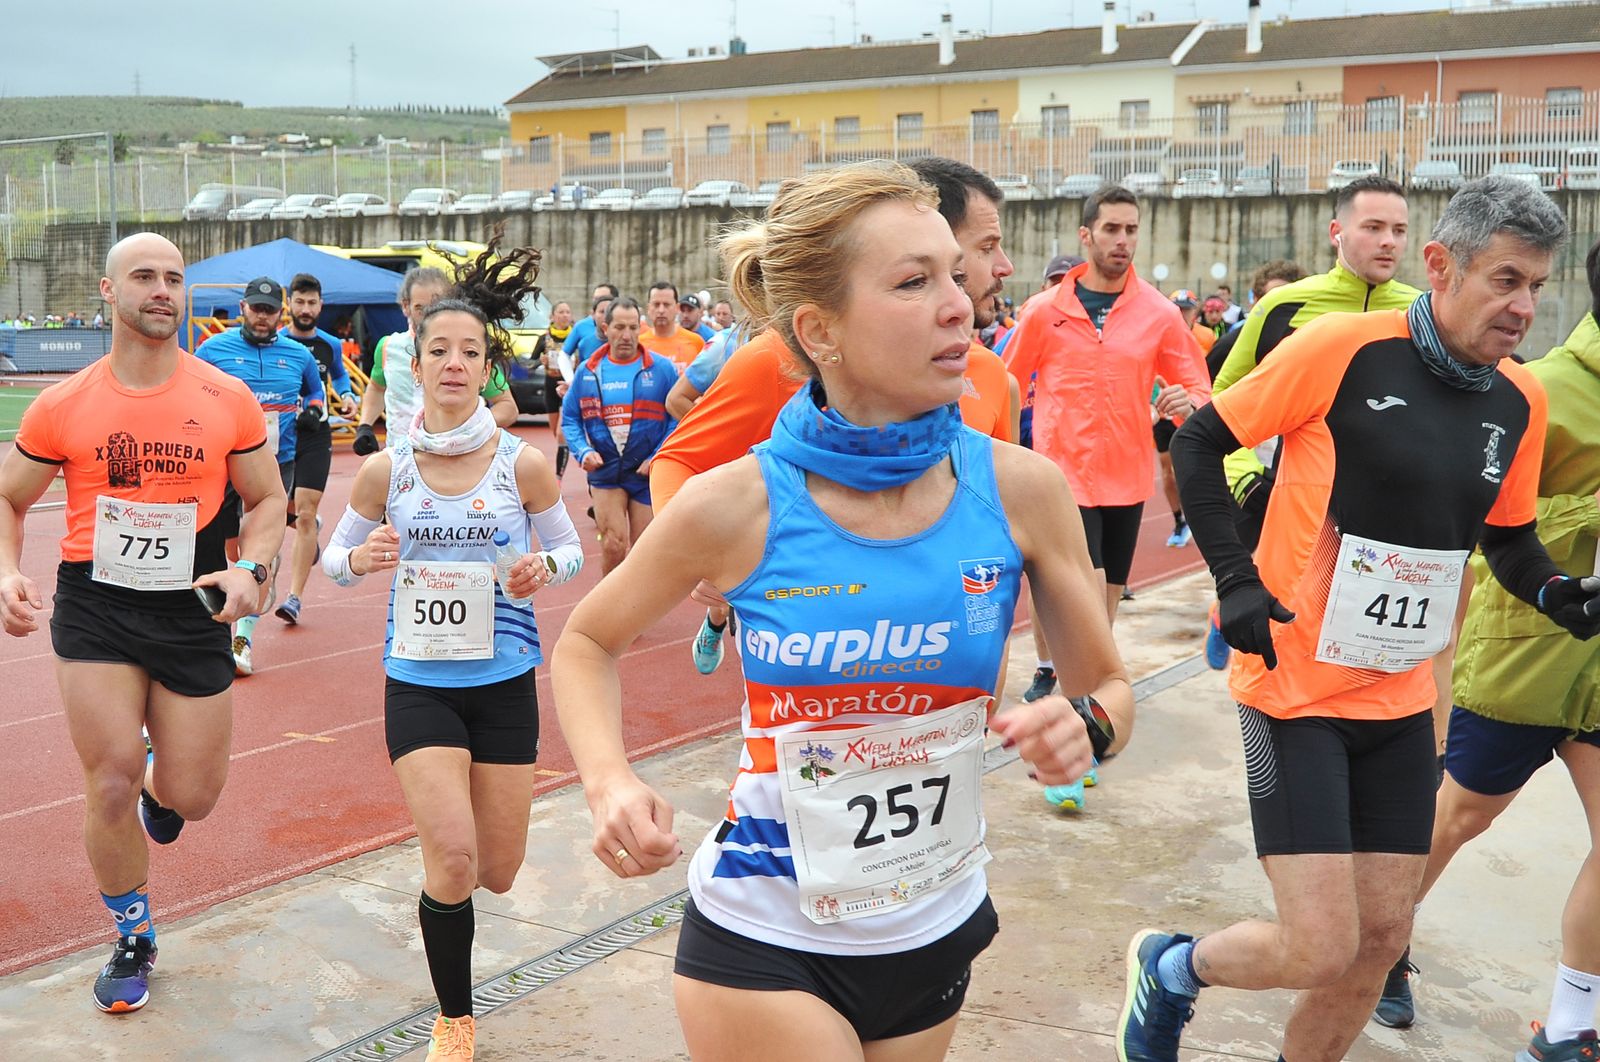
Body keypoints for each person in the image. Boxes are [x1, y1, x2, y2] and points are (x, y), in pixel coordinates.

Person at [551, 158, 1133, 1062]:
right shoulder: (736, 505)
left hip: (935, 924)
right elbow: (587, 639)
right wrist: (608, 782)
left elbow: (1110, 690)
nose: (961, 303)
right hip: (767, 931)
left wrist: (1086, 727)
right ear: (821, 329)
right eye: (914, 282)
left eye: (954, 272)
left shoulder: (1022, 490)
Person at [1129, 176, 1600, 1062]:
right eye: (1505, 280)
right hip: (1292, 684)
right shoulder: (1344, 348)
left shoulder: (1520, 399)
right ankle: (1174, 969)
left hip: (1398, 700)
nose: (1524, 306)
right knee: (1317, 943)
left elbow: (1510, 542)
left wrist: (1553, 594)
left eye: (1537, 285)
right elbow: (1200, 440)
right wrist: (1234, 577)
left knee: (1382, 940)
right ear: (1440, 265)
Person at [0, 233, 285, 1014]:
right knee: (111, 777)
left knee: (192, 797)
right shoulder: (63, 403)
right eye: (144, 277)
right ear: (107, 291)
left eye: (173, 278)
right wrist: (7, 571)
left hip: (193, 602)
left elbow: (266, 501)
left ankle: (167, 789)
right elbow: (8, 497)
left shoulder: (225, 397)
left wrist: (252, 571)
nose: (163, 290)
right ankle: (133, 934)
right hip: (96, 603)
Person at [323, 239, 583, 1062]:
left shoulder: (523, 465)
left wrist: (544, 566)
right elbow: (334, 561)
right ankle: (454, 1018)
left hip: (505, 680)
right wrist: (358, 562)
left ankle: (454, 903)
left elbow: (573, 551)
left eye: (471, 352)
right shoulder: (386, 471)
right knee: (454, 857)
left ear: (487, 367)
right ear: (415, 356)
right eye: (440, 350)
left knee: (498, 871)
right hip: (419, 682)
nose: (455, 364)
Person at [648, 156, 1020, 680]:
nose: (1004, 265)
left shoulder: (993, 377)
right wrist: (701, 561)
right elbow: (678, 459)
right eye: (985, 248)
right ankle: (715, 621)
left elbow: (1000, 528)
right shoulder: (775, 358)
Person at [1383, 238, 1600, 1060]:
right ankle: (1384, 947)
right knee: (1457, 818)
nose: (1520, 298)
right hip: (1526, 658)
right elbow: (1491, 527)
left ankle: (1572, 1025)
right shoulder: (1541, 389)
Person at [1205, 178, 1417, 697]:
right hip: (1286, 502)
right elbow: (1222, 399)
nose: (1388, 241)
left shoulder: (1423, 314)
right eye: (1373, 228)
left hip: (1385, 516)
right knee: (1281, 660)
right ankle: (1225, 618)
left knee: (1361, 666)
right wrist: (1243, 478)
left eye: (1399, 230)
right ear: (1336, 232)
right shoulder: (1284, 310)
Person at [1002, 184, 1209, 638]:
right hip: (1063, 474)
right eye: (1111, 228)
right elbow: (1006, 382)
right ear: (1086, 235)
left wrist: (1187, 402)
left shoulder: (1158, 313)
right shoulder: (1043, 311)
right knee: (1085, 589)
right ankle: (1071, 685)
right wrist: (1005, 455)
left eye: (1131, 230)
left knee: (1110, 594)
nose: (1123, 240)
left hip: (1128, 475)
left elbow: (1198, 386)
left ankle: (1082, 687)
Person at [195, 277, 325, 675]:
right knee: (231, 551)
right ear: (242, 309)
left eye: (270, 310)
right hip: (222, 464)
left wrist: (315, 409)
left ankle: (242, 639)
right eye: (256, 308)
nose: (263, 316)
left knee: (258, 552)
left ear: (280, 313)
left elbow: (315, 392)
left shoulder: (298, 354)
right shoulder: (212, 349)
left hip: (274, 465)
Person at [560, 297, 679, 574]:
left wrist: (658, 456)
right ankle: (608, 613)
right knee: (614, 544)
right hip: (606, 468)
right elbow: (570, 418)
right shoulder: (587, 370)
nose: (626, 335)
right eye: (619, 327)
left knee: (644, 550)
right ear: (605, 328)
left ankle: (634, 613)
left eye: (632, 328)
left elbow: (677, 418)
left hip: (645, 469)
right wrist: (582, 451)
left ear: (640, 328)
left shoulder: (661, 369)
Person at [354, 268, 519, 456]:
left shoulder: (470, 351)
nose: (429, 315)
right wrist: (365, 425)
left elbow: (508, 407)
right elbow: (377, 387)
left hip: (460, 456)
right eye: (420, 308)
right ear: (405, 306)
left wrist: (467, 429)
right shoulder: (388, 347)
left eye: (436, 305)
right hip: (403, 458)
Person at [275, 273, 359, 626]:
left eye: (312, 303)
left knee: (305, 513)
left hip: (315, 435)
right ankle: (308, 533)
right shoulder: (275, 342)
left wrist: (349, 396)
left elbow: (338, 376)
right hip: (279, 437)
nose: (305, 309)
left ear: (320, 306)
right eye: (300, 302)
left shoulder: (329, 345)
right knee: (278, 511)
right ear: (289, 304)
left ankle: (293, 598)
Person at [534, 300, 574, 478]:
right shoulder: (544, 338)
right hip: (550, 384)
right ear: (553, 316)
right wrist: (540, 360)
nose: (565, 315)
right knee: (554, 432)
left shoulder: (575, 337)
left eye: (567, 312)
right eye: (561, 312)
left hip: (569, 387)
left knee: (561, 434)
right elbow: (531, 362)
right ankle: (564, 452)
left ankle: (558, 477)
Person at [641, 281, 706, 372]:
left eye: (666, 305)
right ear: (648, 308)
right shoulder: (639, 346)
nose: (661, 310)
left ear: (677, 308)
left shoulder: (696, 342)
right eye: (656, 304)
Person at [561, 283, 620, 363]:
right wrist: (570, 376)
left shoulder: (625, 327)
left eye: (603, 298)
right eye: (595, 299)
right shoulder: (581, 326)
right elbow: (564, 355)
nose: (598, 302)